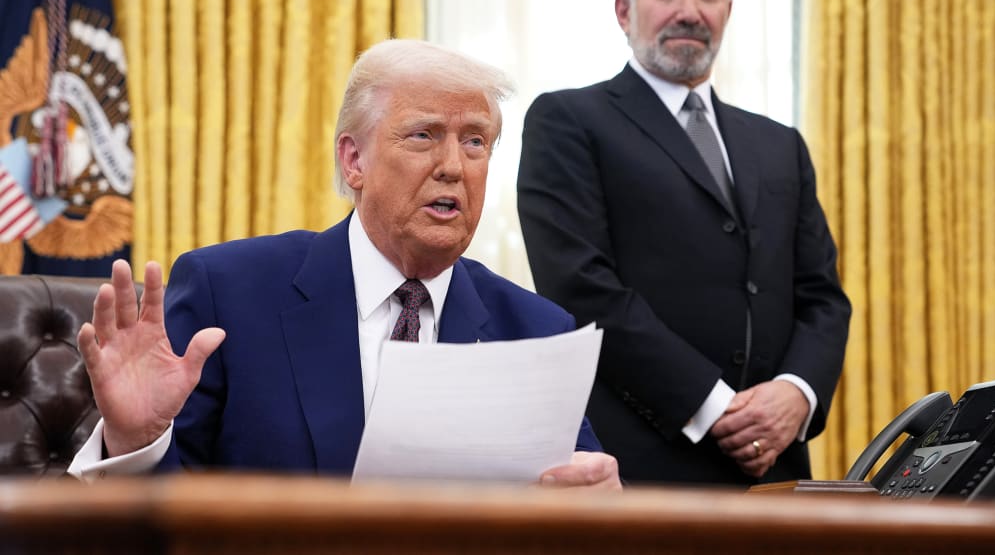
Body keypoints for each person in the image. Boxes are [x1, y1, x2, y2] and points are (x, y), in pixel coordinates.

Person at [69, 39, 620, 490]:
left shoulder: (535, 330)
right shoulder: (230, 294)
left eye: (475, 142)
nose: (454, 166)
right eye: (424, 135)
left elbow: (578, 498)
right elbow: (164, 516)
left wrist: (599, 505)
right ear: (354, 160)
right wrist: (136, 441)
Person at [516, 0, 851, 486]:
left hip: (775, 471)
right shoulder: (568, 121)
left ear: (728, 11)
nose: (690, 11)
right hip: (640, 470)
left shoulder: (780, 144)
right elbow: (581, 288)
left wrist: (797, 393)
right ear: (624, 11)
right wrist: (714, 406)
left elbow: (822, 299)